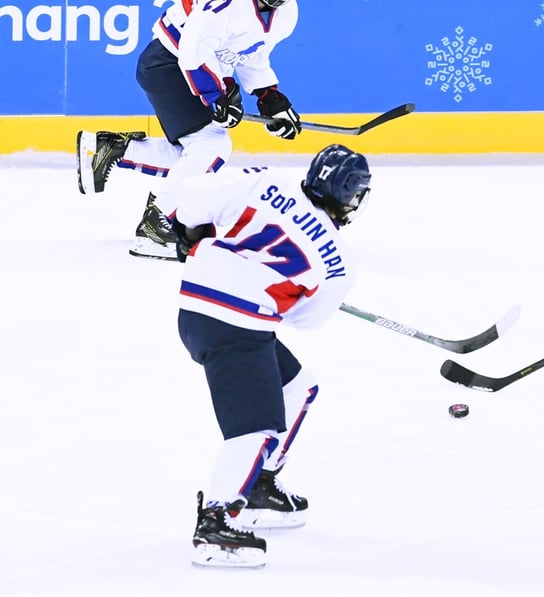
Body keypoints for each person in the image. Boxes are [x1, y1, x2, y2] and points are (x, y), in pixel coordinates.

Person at [173, 144, 371, 568]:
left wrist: (190, 233)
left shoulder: (266, 179)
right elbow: (305, 321)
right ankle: (216, 523)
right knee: (256, 429)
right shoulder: (340, 263)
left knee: (299, 386)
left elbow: (190, 195)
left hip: (196, 310)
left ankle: (260, 482)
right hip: (237, 327)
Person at [76, 0, 302, 260]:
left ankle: (111, 150)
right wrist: (215, 95)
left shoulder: (287, 13)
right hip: (169, 63)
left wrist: (268, 96)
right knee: (211, 146)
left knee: (197, 155)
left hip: (192, 68)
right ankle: (156, 226)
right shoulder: (226, 4)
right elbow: (193, 51)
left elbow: (249, 52)